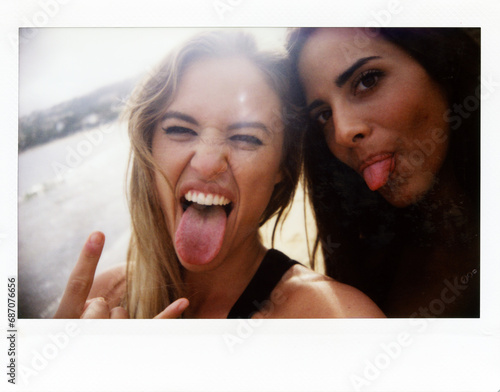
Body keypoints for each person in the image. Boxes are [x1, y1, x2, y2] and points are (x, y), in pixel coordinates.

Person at [54, 30, 384, 319]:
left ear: (282, 167)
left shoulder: (336, 321)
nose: (209, 163)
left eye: (246, 138)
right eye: (180, 129)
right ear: (148, 146)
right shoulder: (99, 299)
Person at [287, 28, 480, 317]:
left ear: (440, 64)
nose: (342, 132)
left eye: (367, 81)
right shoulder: (368, 260)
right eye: (324, 115)